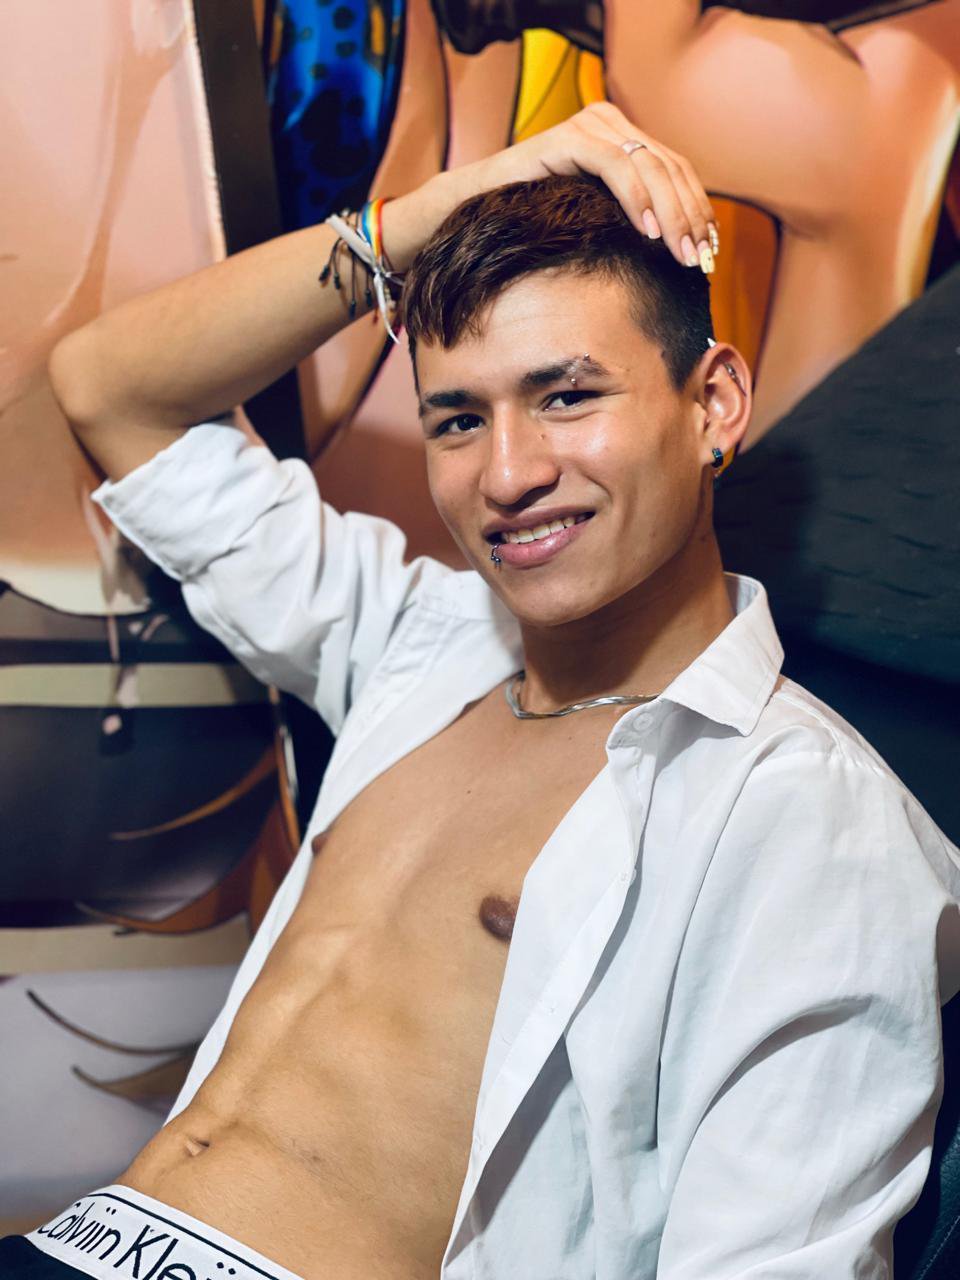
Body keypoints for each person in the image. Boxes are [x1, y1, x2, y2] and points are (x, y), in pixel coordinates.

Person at [12, 102, 959, 1279]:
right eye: (459, 418)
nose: (506, 474)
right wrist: (425, 216)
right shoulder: (418, 643)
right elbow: (111, 388)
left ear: (712, 403)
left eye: (568, 395)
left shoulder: (812, 824)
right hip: (73, 1239)